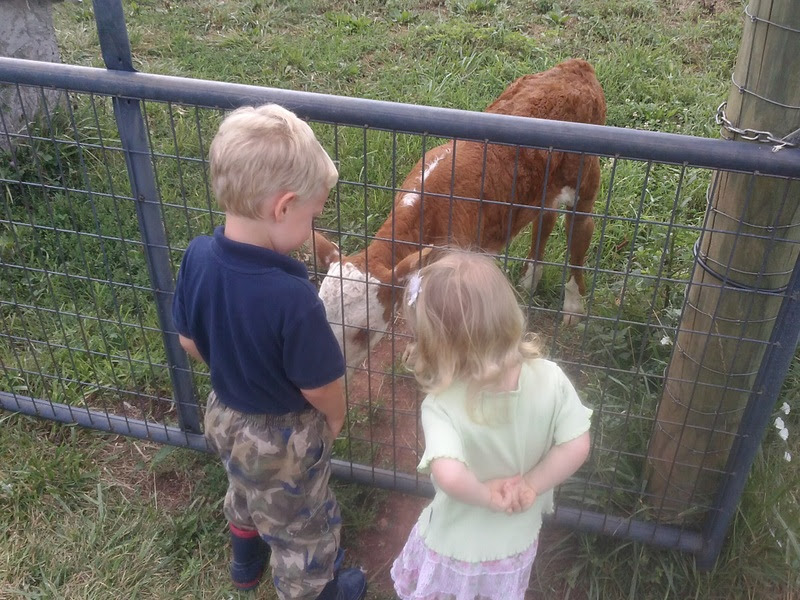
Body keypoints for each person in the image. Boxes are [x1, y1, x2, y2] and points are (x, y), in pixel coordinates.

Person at [171, 104, 366, 600]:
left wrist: (231, 364)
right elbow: (319, 385)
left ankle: (245, 560)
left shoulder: (197, 255)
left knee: (244, 486)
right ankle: (316, 590)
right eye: (312, 215)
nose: (312, 225)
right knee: (302, 525)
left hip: (223, 414)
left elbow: (188, 340)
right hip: (284, 440)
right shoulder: (294, 299)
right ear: (283, 207)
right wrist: (336, 417)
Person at [390, 250, 593, 600]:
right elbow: (577, 444)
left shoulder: (441, 404)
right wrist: (531, 484)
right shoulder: (551, 378)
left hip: (455, 544)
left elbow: (449, 474)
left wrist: (487, 496)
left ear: (439, 344)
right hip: (515, 542)